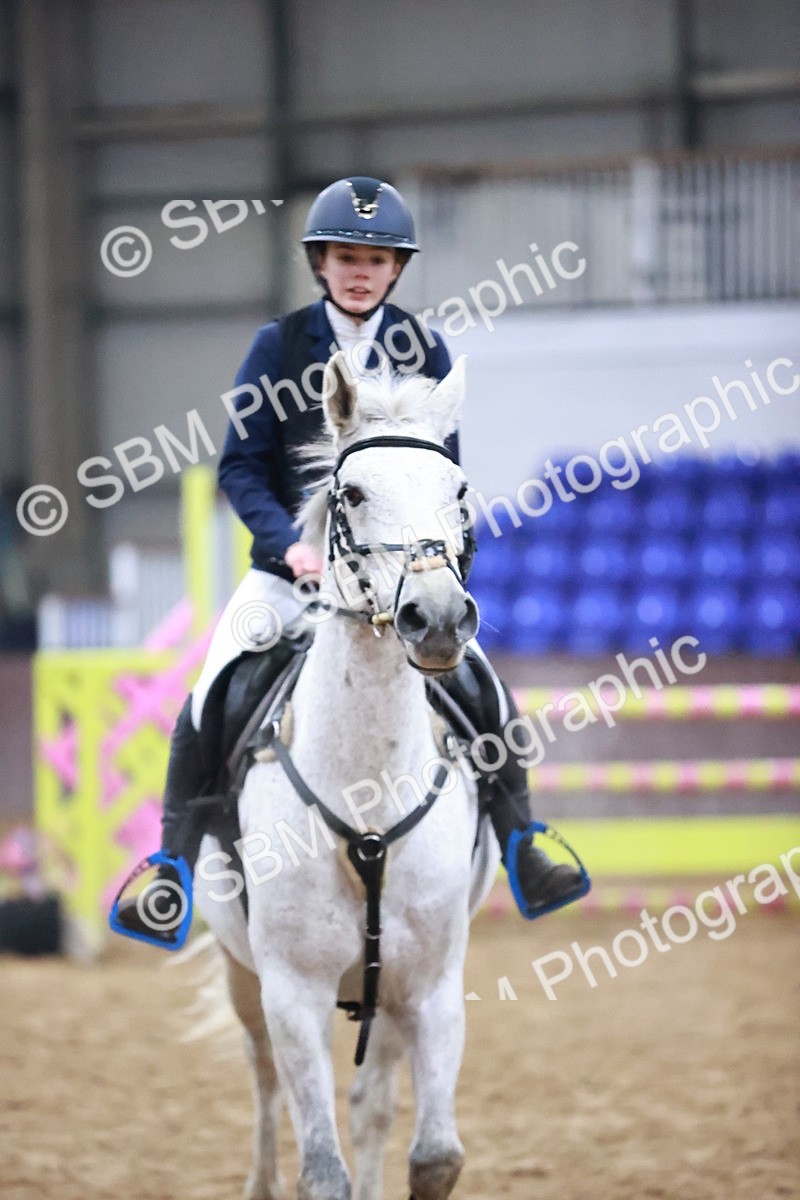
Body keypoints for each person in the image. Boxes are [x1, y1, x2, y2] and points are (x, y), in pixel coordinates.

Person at [115, 176, 586, 943]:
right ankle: (169, 869)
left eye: (376, 258)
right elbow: (239, 467)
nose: (361, 270)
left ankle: (524, 842)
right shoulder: (278, 345)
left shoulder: (425, 347)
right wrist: (289, 545)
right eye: (346, 256)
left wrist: (439, 568)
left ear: (396, 269)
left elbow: (444, 478)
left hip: (398, 578)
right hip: (290, 574)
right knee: (211, 689)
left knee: (486, 689)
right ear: (321, 263)